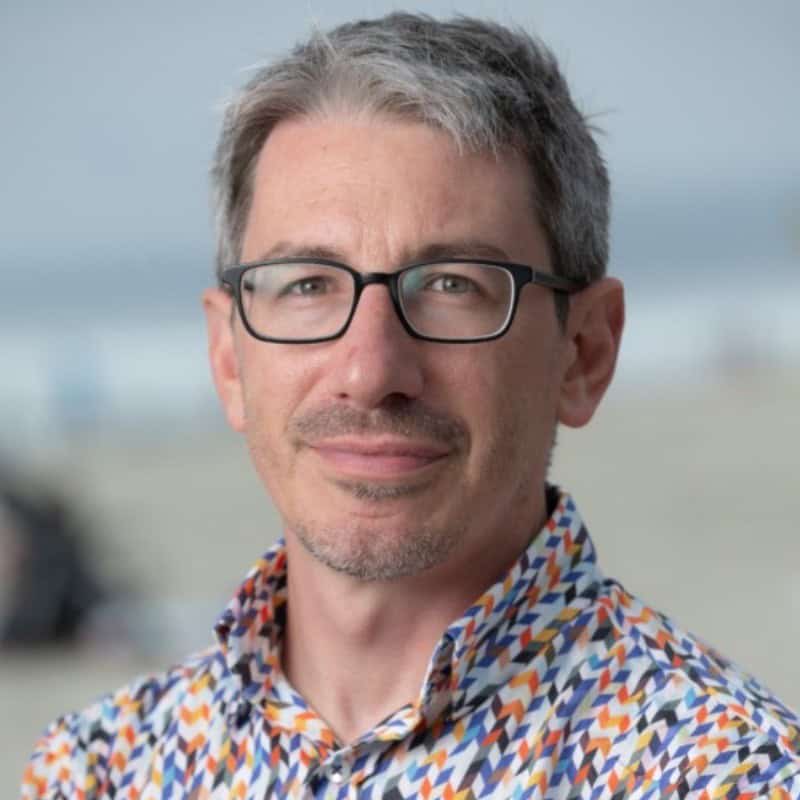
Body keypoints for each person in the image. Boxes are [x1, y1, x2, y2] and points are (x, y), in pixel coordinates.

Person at [21, 12, 799, 799]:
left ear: (585, 352)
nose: (370, 372)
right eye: (307, 284)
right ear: (229, 358)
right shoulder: (99, 770)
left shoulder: (725, 775)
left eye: (453, 285)